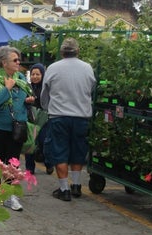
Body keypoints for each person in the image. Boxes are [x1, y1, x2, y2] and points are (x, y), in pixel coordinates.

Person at [41, 38, 96, 202]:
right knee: (78, 151)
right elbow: (91, 89)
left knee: (60, 151)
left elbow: (45, 93)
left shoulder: (53, 68)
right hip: (81, 117)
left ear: (62, 52)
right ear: (77, 51)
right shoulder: (87, 68)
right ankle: (77, 185)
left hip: (59, 116)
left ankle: (64, 189)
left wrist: (46, 107)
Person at [0, 45, 35, 211]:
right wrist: (7, 89)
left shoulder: (20, 77)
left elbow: (24, 95)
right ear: (4, 63)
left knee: (13, 162)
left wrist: (28, 100)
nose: (19, 62)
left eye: (19, 59)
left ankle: (10, 195)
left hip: (17, 126)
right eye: (15, 60)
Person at [24, 63, 54, 175]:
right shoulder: (27, 87)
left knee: (44, 143)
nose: (35, 76)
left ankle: (49, 163)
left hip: (44, 120)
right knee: (30, 144)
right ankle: (29, 168)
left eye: (38, 74)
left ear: (43, 75)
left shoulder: (46, 88)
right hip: (31, 119)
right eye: (33, 74)